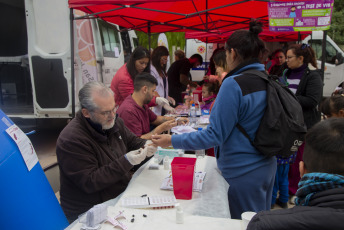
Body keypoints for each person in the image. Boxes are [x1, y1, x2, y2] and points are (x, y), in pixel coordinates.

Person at [152, 20, 276, 219]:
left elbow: (215, 135)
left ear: (232, 53)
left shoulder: (234, 84)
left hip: (242, 171)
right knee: (261, 220)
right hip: (266, 166)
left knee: (243, 223)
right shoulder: (265, 78)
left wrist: (172, 140)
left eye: (226, 54)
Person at [56, 81, 157, 223]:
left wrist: (149, 145)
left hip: (118, 196)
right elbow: (90, 181)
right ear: (86, 113)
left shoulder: (114, 122)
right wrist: (126, 161)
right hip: (89, 211)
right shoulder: (72, 139)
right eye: (105, 112)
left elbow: (133, 142)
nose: (112, 115)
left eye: (114, 108)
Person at [247, 118, 344, 230]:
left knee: (277, 183)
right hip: (286, 163)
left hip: (279, 165)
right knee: (283, 182)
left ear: (302, 170)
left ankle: (273, 202)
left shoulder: (264, 224)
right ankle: (283, 201)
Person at [279, 43, 323, 202]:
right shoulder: (285, 73)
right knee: (285, 158)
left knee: (298, 159)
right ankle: (283, 189)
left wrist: (286, 97)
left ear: (301, 58)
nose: (287, 61)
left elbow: (312, 100)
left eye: (289, 58)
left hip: (303, 126)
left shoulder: (312, 76)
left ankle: (294, 190)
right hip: (285, 124)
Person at [117, 72, 187, 140]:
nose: (154, 95)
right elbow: (136, 141)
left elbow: (155, 119)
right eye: (153, 91)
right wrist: (162, 128)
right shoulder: (129, 111)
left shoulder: (142, 104)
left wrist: (176, 120)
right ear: (145, 89)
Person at [110, 46, 173, 111]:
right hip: (124, 112)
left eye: (146, 63)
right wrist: (156, 100)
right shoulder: (124, 78)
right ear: (134, 60)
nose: (144, 66)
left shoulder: (133, 70)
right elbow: (135, 100)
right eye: (141, 63)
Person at [150, 46, 176, 116]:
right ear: (157, 57)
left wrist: (167, 97)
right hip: (156, 107)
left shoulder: (161, 70)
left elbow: (163, 88)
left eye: (166, 60)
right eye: (163, 59)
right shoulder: (152, 70)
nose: (164, 62)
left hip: (162, 107)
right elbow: (153, 90)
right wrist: (164, 104)